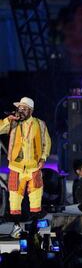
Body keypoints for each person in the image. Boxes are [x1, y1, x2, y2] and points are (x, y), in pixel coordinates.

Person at [0, 97, 51, 238]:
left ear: (30, 111)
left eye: (24, 109)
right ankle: (16, 228)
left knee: (35, 200)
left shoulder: (40, 125)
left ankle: (34, 229)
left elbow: (47, 143)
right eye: (19, 108)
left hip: (34, 168)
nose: (20, 111)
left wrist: (43, 158)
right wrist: (7, 120)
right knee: (14, 200)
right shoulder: (13, 123)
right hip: (16, 168)